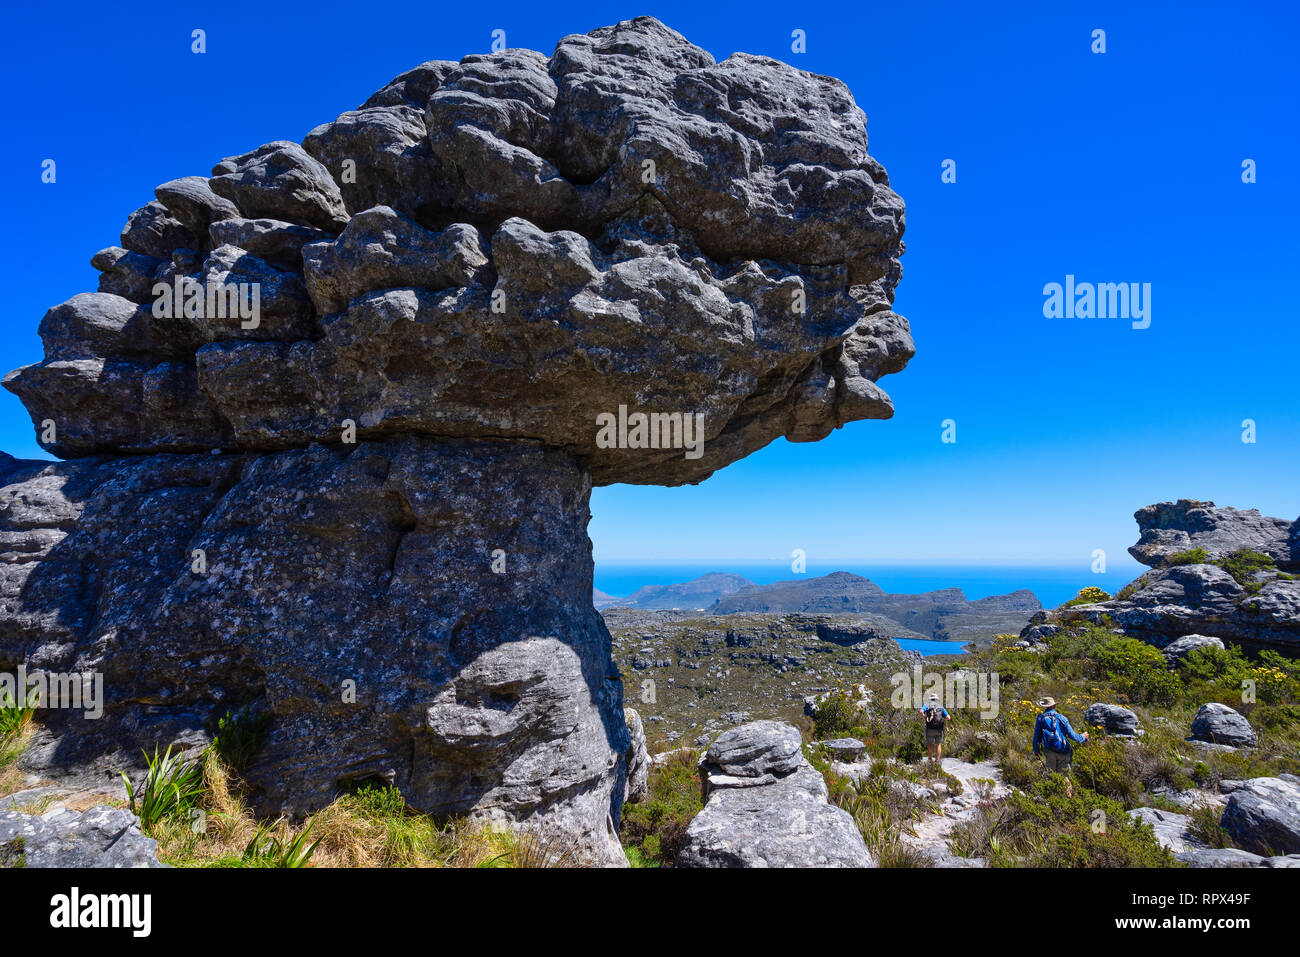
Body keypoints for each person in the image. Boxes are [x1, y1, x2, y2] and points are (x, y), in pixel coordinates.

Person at [1032, 696, 1089, 796]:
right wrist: (1083, 737)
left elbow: (1036, 737)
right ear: (1054, 705)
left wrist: (1036, 751)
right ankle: (1067, 799)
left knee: (1052, 776)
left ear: (1044, 707)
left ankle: (1053, 800)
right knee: (1064, 777)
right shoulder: (1062, 718)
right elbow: (1073, 736)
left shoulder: (1040, 718)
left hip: (1049, 751)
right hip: (1064, 751)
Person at [919, 692, 950, 765]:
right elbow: (948, 717)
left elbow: (921, 711)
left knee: (930, 744)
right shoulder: (941, 707)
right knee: (938, 745)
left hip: (929, 729)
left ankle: (929, 760)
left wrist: (924, 717)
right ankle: (937, 761)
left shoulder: (927, 705)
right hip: (939, 729)